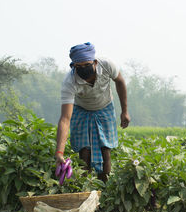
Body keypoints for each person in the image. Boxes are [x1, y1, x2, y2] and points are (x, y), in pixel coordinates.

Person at [54, 42, 130, 182]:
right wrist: (59, 152)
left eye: (86, 65)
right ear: (73, 66)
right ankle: (84, 188)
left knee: (105, 151)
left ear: (95, 62)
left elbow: (120, 82)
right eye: (79, 67)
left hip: (105, 106)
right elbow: (65, 118)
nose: (83, 69)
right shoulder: (70, 82)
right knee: (85, 152)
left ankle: (104, 189)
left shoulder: (107, 65)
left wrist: (124, 111)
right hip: (81, 110)